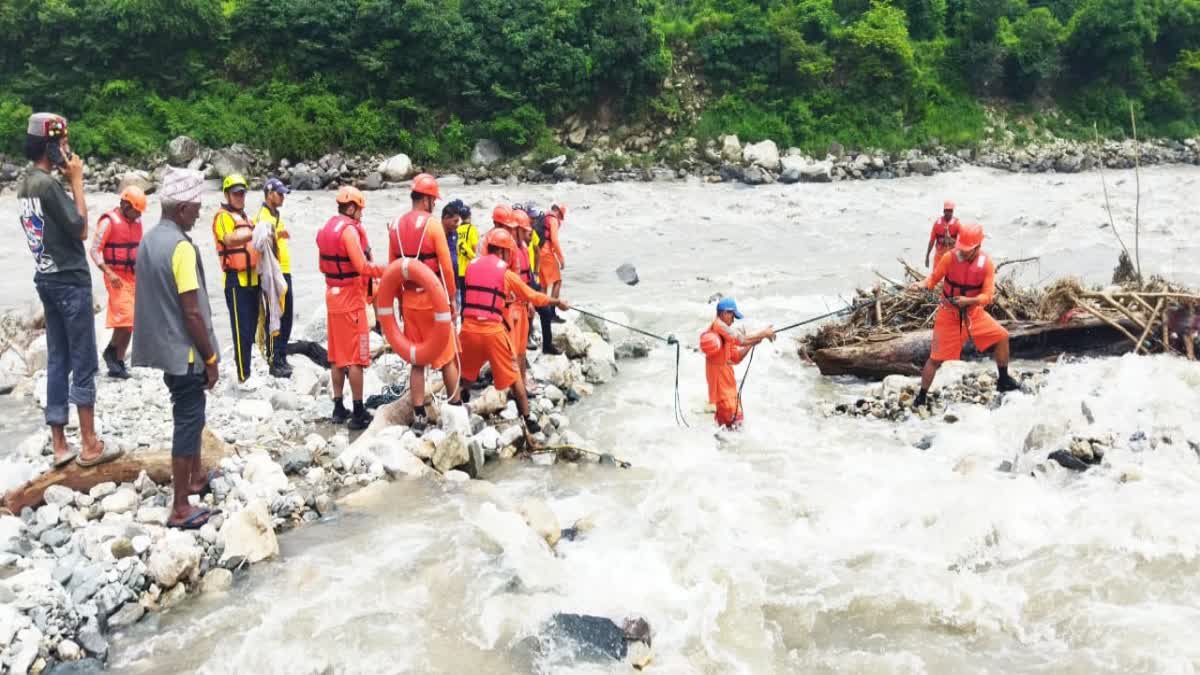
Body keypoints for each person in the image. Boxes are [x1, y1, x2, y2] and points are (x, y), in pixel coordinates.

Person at [17, 112, 118, 468]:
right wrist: (77, 181)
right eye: (62, 143)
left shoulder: (26, 183)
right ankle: (89, 443)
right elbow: (79, 229)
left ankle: (60, 443)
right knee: (84, 360)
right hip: (69, 281)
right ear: (50, 146)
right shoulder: (48, 186)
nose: (67, 149)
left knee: (58, 360)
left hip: (45, 277)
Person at [131, 168, 220, 529]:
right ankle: (180, 506)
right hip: (185, 352)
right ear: (181, 208)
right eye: (196, 207)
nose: (199, 213)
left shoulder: (150, 240)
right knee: (187, 420)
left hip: (165, 349)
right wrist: (211, 356)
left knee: (192, 414)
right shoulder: (181, 248)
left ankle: (196, 477)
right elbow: (192, 311)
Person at [458, 228, 569, 433]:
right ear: (503, 251)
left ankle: (456, 410)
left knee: (465, 376)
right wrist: (557, 302)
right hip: (493, 332)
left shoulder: (471, 267)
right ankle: (528, 420)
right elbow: (533, 296)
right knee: (515, 376)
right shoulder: (506, 274)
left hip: (467, 330)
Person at [910, 223, 1020, 408]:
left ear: (978, 247)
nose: (962, 252)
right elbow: (933, 279)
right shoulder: (949, 258)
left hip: (973, 312)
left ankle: (1003, 380)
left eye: (967, 250)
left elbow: (987, 297)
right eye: (961, 248)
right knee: (935, 358)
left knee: (1002, 336)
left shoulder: (986, 264)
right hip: (948, 314)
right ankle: (921, 396)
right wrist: (921, 285)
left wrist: (968, 302)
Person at [388, 173, 460, 431]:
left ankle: (419, 415)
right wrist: (451, 300)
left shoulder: (395, 225)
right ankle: (455, 406)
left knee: (417, 359)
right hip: (434, 302)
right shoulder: (432, 225)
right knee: (447, 357)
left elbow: (392, 270)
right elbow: (446, 267)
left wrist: (397, 304)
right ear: (428, 200)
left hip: (409, 301)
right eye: (434, 200)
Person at [317, 186, 385, 430]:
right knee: (356, 358)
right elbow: (362, 267)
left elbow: (321, 266)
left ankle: (338, 407)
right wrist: (387, 270)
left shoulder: (327, 228)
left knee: (336, 356)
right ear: (352, 207)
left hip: (332, 298)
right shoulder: (348, 232)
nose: (361, 215)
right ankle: (358, 411)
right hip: (351, 302)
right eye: (360, 210)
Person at [89, 186, 147, 379]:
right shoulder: (108, 222)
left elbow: (140, 248)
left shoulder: (137, 221)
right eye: (135, 210)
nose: (137, 215)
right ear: (125, 204)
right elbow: (95, 250)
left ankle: (118, 361)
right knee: (126, 316)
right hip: (115, 275)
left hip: (134, 275)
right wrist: (108, 272)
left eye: (139, 212)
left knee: (133, 321)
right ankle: (112, 353)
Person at [212, 173, 260, 382]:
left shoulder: (246, 218)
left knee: (250, 329)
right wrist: (255, 233)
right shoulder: (223, 216)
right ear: (227, 195)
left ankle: (247, 370)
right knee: (241, 330)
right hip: (235, 281)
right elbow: (229, 239)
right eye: (235, 193)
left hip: (253, 279)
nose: (240, 197)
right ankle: (243, 375)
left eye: (242, 193)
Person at [255, 178, 293, 378]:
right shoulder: (263, 216)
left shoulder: (275, 214)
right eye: (279, 194)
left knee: (286, 315)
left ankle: (281, 355)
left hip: (284, 270)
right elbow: (263, 241)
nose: (282, 197)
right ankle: (273, 360)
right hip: (273, 272)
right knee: (275, 315)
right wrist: (278, 235)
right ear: (269, 194)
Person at [541, 203, 567, 323]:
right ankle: (551, 313)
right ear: (558, 212)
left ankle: (543, 312)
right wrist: (561, 258)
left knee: (544, 284)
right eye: (561, 216)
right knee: (557, 281)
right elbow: (555, 241)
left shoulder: (543, 217)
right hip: (546, 252)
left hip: (537, 252)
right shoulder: (553, 220)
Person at [454, 201, 479, 312]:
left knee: (461, 301)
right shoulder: (472, 229)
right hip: (469, 270)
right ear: (469, 216)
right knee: (470, 301)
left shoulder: (456, 230)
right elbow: (475, 250)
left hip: (458, 270)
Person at [925, 200, 960, 268]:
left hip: (951, 255)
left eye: (950, 211)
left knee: (951, 276)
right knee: (936, 275)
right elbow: (932, 241)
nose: (948, 212)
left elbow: (962, 242)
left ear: (952, 212)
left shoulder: (957, 224)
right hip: (939, 255)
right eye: (947, 210)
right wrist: (927, 256)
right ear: (944, 211)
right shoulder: (937, 224)